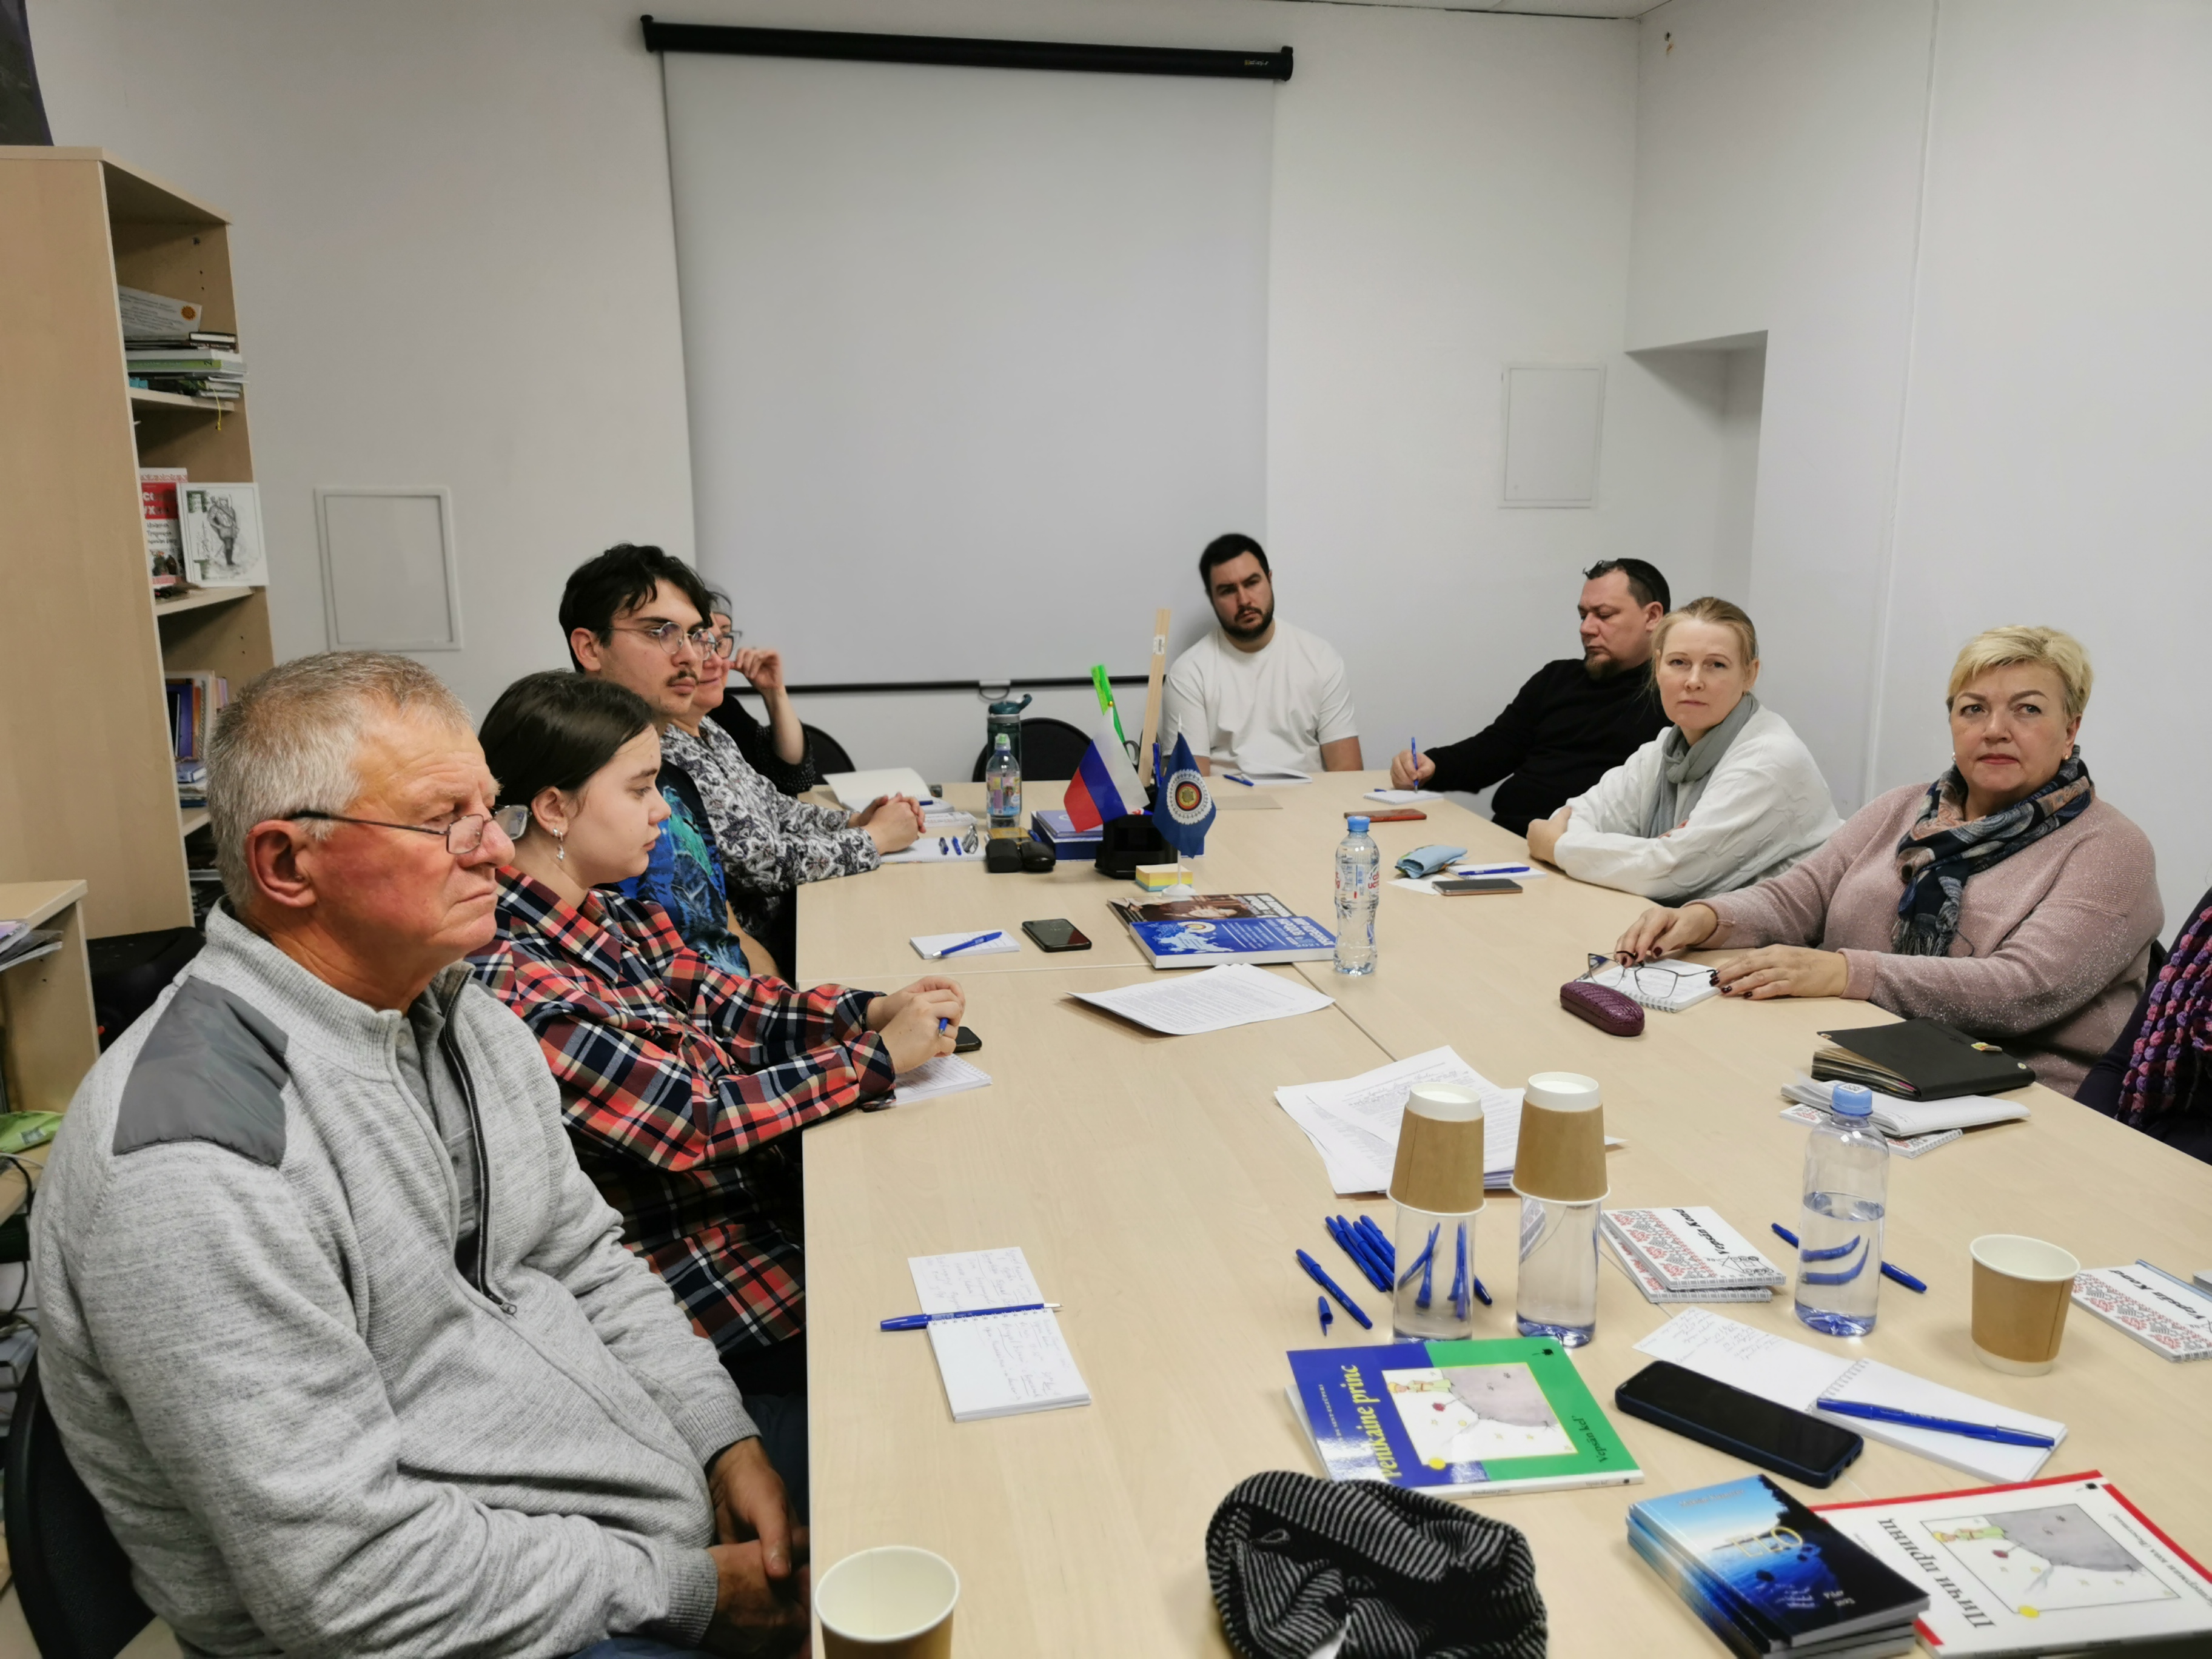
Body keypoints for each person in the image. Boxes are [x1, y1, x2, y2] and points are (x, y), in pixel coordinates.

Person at [32, 651, 811, 1658]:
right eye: (448, 820)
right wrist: (693, 1589)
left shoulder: (454, 1006)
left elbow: (583, 1259)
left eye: (491, 808)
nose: (498, 849)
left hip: (620, 1507)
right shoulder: (193, 1165)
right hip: (460, 1619)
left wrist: (723, 1441)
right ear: (286, 864)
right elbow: (351, 1584)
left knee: (925, 1449)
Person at [471, 670, 964, 1524]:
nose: (661, 813)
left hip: (758, 1220)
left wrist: (865, 1011)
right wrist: (874, 1059)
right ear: (553, 809)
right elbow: (689, 1118)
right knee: (931, 1396)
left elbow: (724, 1001)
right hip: (709, 1295)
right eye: (639, 790)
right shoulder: (515, 977)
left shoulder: (603, 908)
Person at [1617, 626, 2159, 1096]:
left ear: (2070, 730)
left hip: (2015, 1096)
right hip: (1856, 1057)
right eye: (1974, 708)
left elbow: (2022, 989)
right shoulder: (1904, 808)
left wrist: (1846, 971)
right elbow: (1800, 896)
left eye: (2028, 709)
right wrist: (1706, 917)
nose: (1995, 729)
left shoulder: (2111, 849)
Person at [563, 545, 922, 976]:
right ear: (590, 648)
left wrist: (854, 823)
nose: (694, 657)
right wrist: (872, 838)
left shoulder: (697, 734)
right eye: (660, 632)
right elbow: (750, 875)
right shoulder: (591, 770)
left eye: (696, 637)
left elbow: (773, 808)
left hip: (747, 976)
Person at [1525, 597, 1838, 902]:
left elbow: (1672, 875)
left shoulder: (1768, 758)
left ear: (1750, 675)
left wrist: (1558, 848)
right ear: (1657, 667)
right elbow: (1573, 816)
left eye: (1716, 665)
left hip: (1779, 936)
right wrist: (1653, 855)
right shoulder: (1666, 748)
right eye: (1679, 662)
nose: (1693, 681)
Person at [1390, 560, 1672, 834]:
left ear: (1652, 617)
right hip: (1506, 834)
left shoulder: (1674, 698)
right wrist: (1432, 766)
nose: (1586, 628)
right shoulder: (1557, 678)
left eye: (1604, 615)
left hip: (1581, 847)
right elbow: (1496, 748)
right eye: (1583, 615)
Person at [1160, 533, 1362, 777]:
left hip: (1310, 798)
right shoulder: (1189, 674)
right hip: (1229, 801)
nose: (1244, 600)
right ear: (1213, 599)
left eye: (1252, 583)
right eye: (1228, 591)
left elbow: (1347, 773)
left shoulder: (1321, 658)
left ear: (1270, 580)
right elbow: (1192, 787)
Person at [2076, 890, 2212, 1162]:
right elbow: (2119, 1065)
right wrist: (2075, 1146)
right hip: (2136, 1138)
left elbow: (2024, 984)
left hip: (2180, 1170)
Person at [699, 598, 821, 798]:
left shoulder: (725, 708)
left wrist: (775, 693)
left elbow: (795, 777)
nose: (717, 660)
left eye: (720, 642)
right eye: (703, 641)